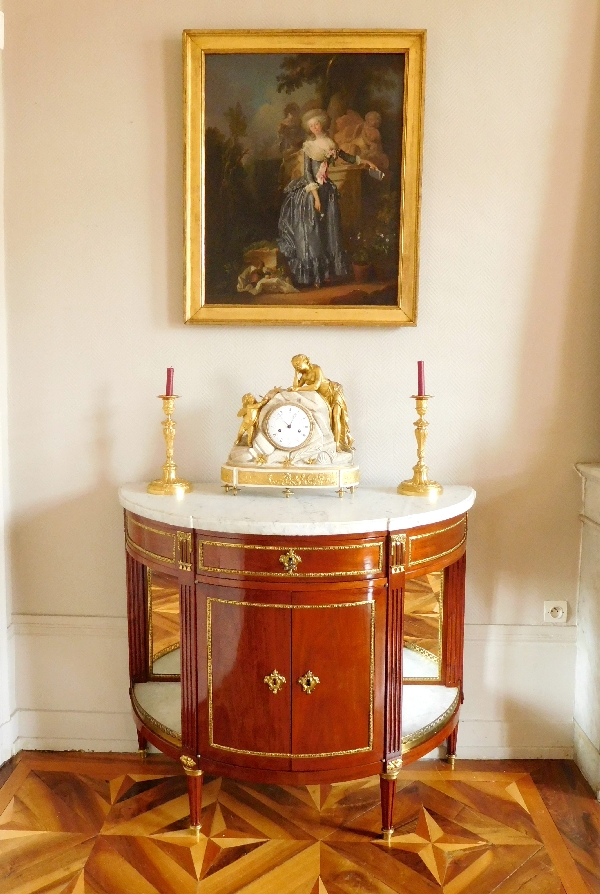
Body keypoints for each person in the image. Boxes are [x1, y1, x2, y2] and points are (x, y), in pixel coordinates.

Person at [277, 109, 379, 289]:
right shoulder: (309, 147)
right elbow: (308, 174)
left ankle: (326, 273)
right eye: (311, 126)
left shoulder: (331, 143)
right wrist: (315, 197)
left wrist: (366, 162)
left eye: (316, 124)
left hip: (327, 191)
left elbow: (346, 157)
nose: (315, 127)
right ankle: (315, 276)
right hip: (312, 193)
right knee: (313, 233)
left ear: (321, 124)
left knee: (329, 232)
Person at [291, 354, 354, 452]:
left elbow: (315, 386)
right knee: (328, 419)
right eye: (294, 365)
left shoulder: (316, 369)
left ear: (306, 361)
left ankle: (337, 445)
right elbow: (296, 388)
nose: (296, 366)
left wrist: (298, 388)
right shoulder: (304, 376)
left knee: (336, 416)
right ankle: (331, 442)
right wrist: (295, 374)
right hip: (323, 397)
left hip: (333, 391)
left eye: (298, 363)